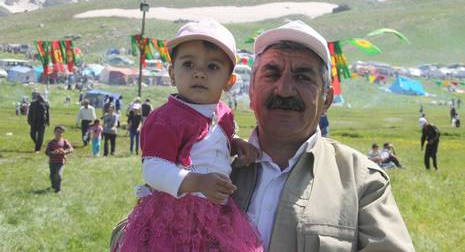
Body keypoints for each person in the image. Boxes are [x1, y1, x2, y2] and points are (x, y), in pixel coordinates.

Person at [228, 21, 414, 251]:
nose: (284, 89)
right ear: (251, 91)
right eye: (272, 74)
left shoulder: (362, 182)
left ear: (326, 99)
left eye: (303, 78)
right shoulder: (209, 164)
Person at [113, 19, 262, 251]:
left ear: (229, 81)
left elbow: (210, 143)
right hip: (175, 214)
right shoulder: (167, 119)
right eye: (189, 64)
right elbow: (154, 169)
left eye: (212, 67)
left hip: (215, 213)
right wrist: (197, 182)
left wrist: (235, 144)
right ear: (173, 74)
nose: (199, 74)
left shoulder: (223, 114)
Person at [45, 125, 74, 193]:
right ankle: (53, 186)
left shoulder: (64, 141)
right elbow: (47, 152)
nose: (59, 133)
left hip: (61, 161)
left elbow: (71, 149)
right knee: (52, 175)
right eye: (57, 131)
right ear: (54, 132)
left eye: (61, 132)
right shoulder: (51, 142)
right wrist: (53, 152)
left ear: (63, 133)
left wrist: (65, 151)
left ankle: (58, 189)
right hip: (52, 161)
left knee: (58, 174)